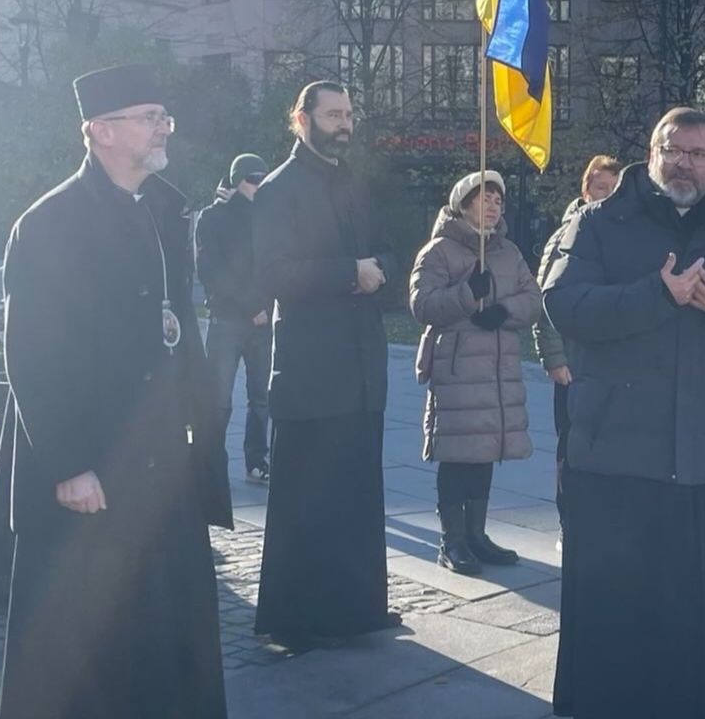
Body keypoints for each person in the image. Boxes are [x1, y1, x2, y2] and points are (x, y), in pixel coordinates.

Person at [545, 107, 705, 719]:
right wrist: (656, 295)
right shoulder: (603, 221)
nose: (685, 163)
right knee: (615, 618)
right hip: (616, 456)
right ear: (652, 153)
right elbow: (563, 304)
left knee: (693, 619)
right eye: (674, 150)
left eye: (699, 154)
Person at [0, 63, 232, 718]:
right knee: (85, 648)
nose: (164, 128)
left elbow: (174, 327)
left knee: (168, 633)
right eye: (149, 117)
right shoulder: (49, 224)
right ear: (99, 130)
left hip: (161, 463)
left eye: (165, 117)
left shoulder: (163, 209)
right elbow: (31, 357)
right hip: (90, 473)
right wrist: (69, 464)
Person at [253, 81, 399, 649]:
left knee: (358, 496)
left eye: (349, 114)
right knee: (308, 500)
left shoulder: (355, 183)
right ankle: (299, 618)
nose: (344, 124)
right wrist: (349, 272)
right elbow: (272, 274)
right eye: (333, 114)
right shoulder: (276, 189)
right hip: (311, 370)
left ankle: (359, 608)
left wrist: (379, 270)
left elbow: (387, 249)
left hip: (362, 366)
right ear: (301, 120)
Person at [409, 171, 543, 574]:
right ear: (464, 203)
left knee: (484, 452)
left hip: (497, 369)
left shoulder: (508, 252)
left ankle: (477, 534)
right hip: (458, 366)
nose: (492, 206)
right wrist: (469, 295)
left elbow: (532, 297)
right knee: (457, 454)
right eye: (484, 198)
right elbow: (422, 304)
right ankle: (452, 540)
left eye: (498, 201)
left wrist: (504, 311)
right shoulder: (439, 251)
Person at [533, 155, 622, 551]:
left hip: (613, 363)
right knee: (571, 447)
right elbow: (546, 300)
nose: (608, 197)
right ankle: (569, 521)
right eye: (602, 189)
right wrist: (554, 357)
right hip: (573, 362)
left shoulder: (623, 233)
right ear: (587, 190)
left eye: (615, 191)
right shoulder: (567, 233)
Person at [195, 153, 273, 483]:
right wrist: (251, 307)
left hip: (263, 322)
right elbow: (211, 272)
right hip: (228, 320)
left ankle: (257, 462)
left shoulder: (267, 217)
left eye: (263, 179)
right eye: (254, 179)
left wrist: (267, 307)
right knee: (218, 401)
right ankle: (210, 464)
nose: (260, 186)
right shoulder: (213, 218)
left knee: (261, 399)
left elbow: (276, 264)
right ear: (237, 180)